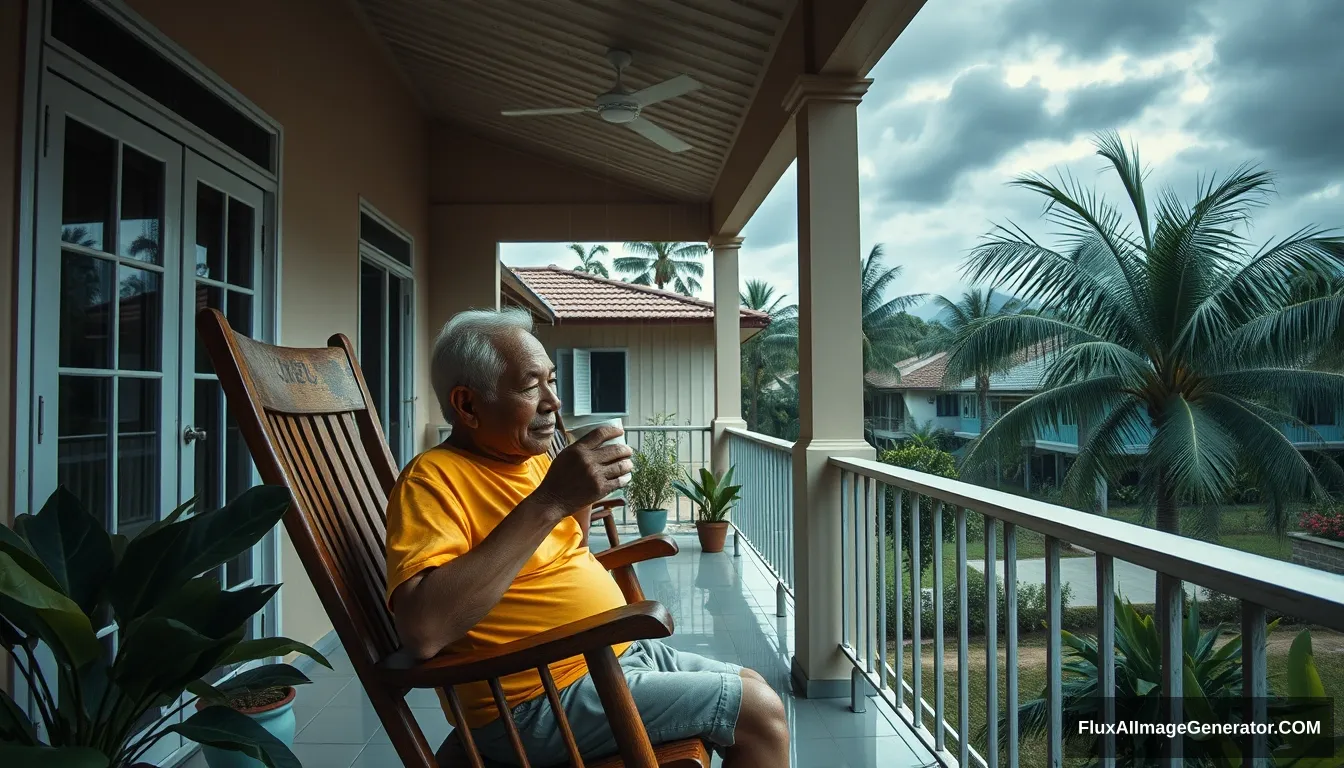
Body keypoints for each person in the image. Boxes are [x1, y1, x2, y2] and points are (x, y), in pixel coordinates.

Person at [384, 308, 790, 766]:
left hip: (608, 656)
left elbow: (563, 550)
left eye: (551, 381)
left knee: (755, 686)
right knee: (759, 714)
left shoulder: (528, 460)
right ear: (468, 405)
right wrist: (552, 499)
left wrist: (579, 495)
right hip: (535, 697)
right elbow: (422, 631)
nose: (552, 401)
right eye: (527, 385)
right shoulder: (432, 480)